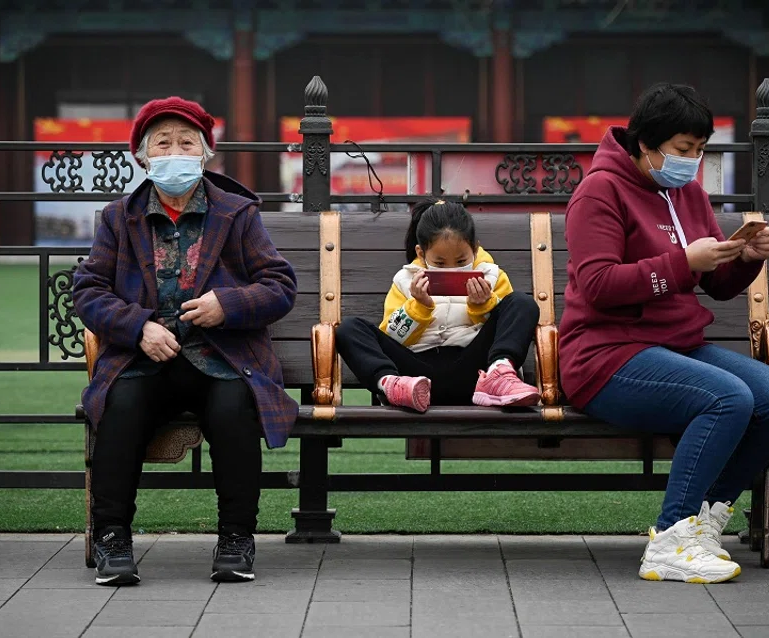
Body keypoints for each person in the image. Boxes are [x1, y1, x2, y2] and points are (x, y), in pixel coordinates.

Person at [557, 83, 769, 584]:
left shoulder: (687, 192)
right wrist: (681, 262)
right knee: (728, 397)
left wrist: (746, 259)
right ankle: (670, 540)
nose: (693, 161)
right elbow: (599, 286)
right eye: (684, 150)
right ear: (647, 145)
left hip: (678, 348)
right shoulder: (598, 191)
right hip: (605, 355)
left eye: (700, 150)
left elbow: (715, 283)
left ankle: (703, 526)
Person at [73, 97, 298, 586]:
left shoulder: (237, 214)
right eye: (163, 143)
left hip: (222, 358)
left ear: (206, 153)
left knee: (233, 406)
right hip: (144, 357)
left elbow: (280, 286)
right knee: (121, 401)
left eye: (186, 142)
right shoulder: (120, 218)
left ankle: (236, 538)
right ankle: (112, 538)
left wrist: (228, 305)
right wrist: (138, 327)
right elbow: (88, 290)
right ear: (142, 156)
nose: (175, 152)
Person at [336, 199, 542, 411]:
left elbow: (505, 330)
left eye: (462, 262)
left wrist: (483, 305)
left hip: (475, 372)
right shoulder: (405, 280)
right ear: (421, 253)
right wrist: (418, 308)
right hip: (416, 376)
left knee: (522, 303)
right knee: (349, 329)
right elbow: (393, 337)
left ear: (475, 248)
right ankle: (391, 385)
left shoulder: (492, 276)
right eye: (440, 263)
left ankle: (498, 374)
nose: (451, 270)